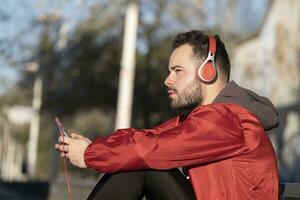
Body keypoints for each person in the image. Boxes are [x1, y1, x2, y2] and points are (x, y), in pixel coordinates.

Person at [55, 30, 279, 199]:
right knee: (134, 158)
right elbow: (148, 137)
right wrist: (93, 147)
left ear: (207, 72)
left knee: (142, 163)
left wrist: (90, 154)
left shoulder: (229, 120)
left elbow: (147, 149)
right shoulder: (199, 122)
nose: (167, 80)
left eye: (177, 71)